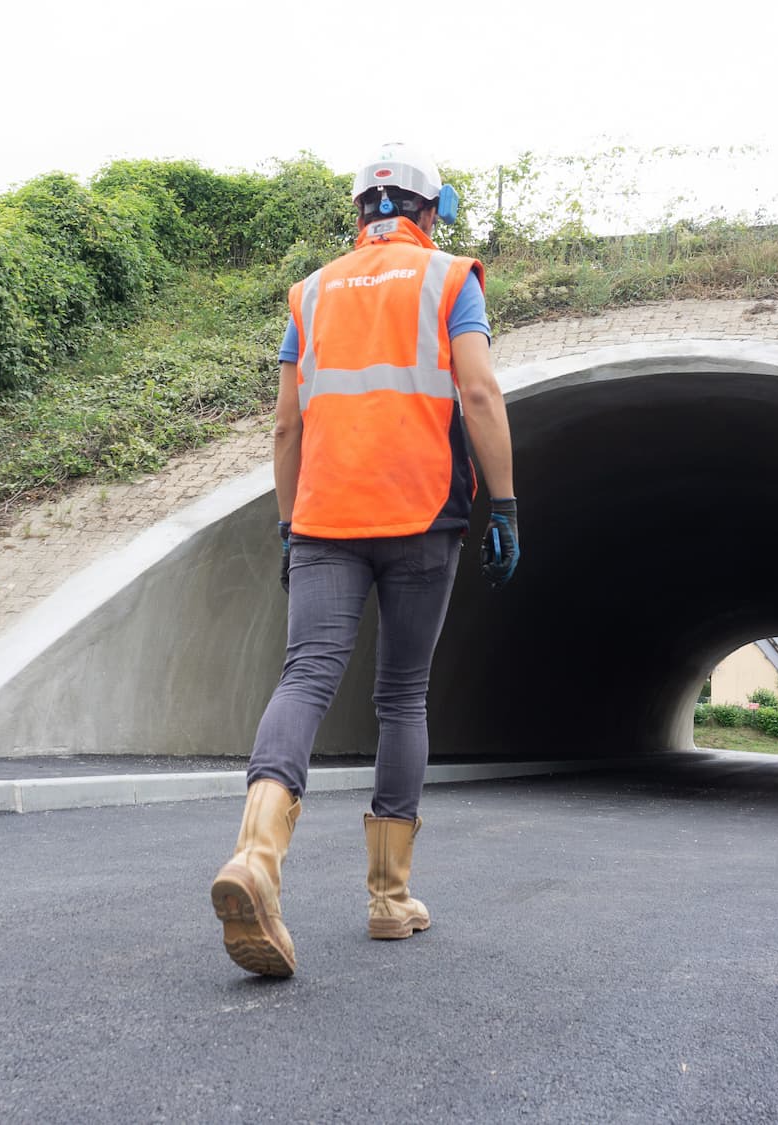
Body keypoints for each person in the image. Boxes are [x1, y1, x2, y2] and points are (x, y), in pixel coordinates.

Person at [209, 142, 521, 978]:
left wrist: (289, 524)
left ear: (360, 213)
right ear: (429, 214)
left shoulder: (309, 294)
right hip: (421, 515)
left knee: (306, 673)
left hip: (323, 517)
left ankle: (257, 859)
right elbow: (480, 393)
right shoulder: (451, 280)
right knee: (402, 695)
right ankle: (389, 900)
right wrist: (506, 503)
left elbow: (285, 426)